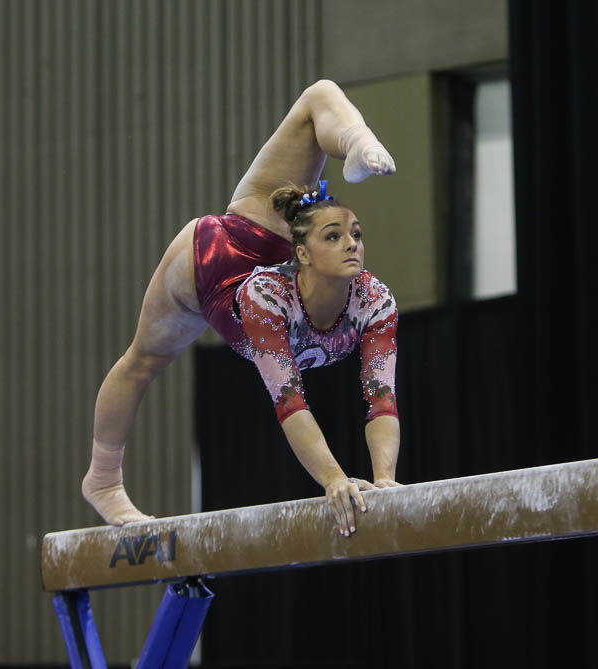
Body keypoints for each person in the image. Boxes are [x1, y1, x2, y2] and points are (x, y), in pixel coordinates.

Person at [82, 80, 400, 537]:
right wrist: (333, 479)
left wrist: (384, 479)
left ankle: (355, 143)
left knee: (320, 99)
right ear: (309, 251)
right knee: (143, 360)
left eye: (356, 234)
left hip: (287, 254)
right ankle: (103, 479)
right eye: (337, 236)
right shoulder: (265, 300)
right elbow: (291, 404)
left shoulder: (372, 300)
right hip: (218, 261)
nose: (352, 244)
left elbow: (383, 401)